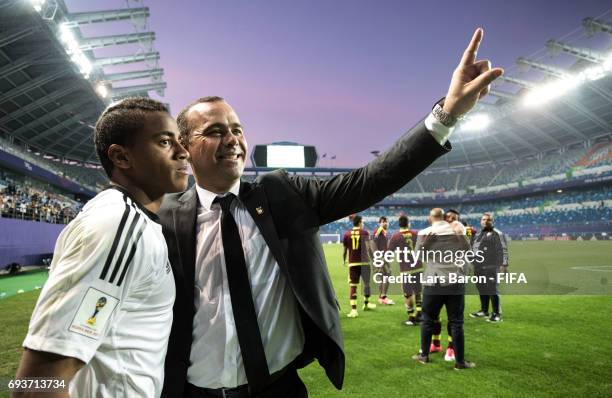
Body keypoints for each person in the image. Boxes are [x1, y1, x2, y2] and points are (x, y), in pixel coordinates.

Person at [160, 28, 502, 397]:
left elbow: (371, 179)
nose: (233, 140)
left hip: (279, 388)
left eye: (237, 129)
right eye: (215, 131)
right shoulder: (164, 217)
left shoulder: (283, 194)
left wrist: (446, 114)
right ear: (184, 146)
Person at [14, 98, 189, 397]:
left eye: (180, 141)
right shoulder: (118, 227)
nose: (183, 152)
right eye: (164, 141)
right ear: (121, 157)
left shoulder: (133, 221)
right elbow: (35, 383)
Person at [412, 208, 475, 370]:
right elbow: (468, 253)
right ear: (444, 217)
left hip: (434, 282)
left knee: (427, 320)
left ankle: (424, 355)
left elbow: (418, 258)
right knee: (456, 322)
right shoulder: (457, 228)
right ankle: (460, 362)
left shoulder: (425, 232)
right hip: (455, 282)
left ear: (430, 218)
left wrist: (426, 245)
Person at [471, 212, 508, 322]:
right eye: (483, 219)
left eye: (488, 220)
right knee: (481, 288)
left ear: (493, 222)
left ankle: (497, 313)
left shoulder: (497, 234)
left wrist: (504, 264)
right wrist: (468, 229)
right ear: (480, 221)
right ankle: (484, 310)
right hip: (478, 266)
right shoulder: (478, 234)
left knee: (492, 289)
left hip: (491, 266)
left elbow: (503, 249)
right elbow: (470, 242)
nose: (485, 221)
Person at [387, 215, 421, 326]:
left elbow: (389, 253)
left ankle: (411, 317)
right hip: (418, 267)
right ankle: (420, 314)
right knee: (418, 291)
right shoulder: (416, 234)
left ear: (399, 224)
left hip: (406, 270)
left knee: (408, 294)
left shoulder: (396, 236)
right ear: (408, 223)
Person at [343, 214, 377, 318]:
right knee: (366, 284)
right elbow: (369, 248)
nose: (363, 224)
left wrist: (343, 260)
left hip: (353, 263)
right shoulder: (365, 232)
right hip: (365, 263)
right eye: (362, 222)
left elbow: (344, 250)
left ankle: (354, 310)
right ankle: (366, 304)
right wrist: (374, 259)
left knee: (353, 286)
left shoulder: (347, 234)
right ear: (359, 222)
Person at [373, 216, 395, 305]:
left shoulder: (385, 232)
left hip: (384, 257)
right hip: (382, 258)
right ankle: (384, 297)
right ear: (380, 223)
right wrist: (379, 258)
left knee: (383, 277)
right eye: (383, 222)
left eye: (387, 222)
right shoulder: (379, 231)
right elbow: (373, 243)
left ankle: (381, 298)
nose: (386, 223)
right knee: (387, 276)